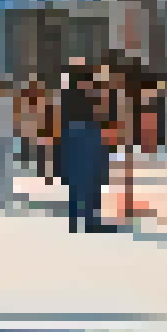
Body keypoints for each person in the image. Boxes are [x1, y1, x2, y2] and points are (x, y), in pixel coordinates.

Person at [61, 65, 107, 231]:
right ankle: (87, 219)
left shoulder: (69, 97)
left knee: (85, 179)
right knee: (88, 179)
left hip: (83, 136)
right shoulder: (84, 98)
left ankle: (80, 218)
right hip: (85, 137)